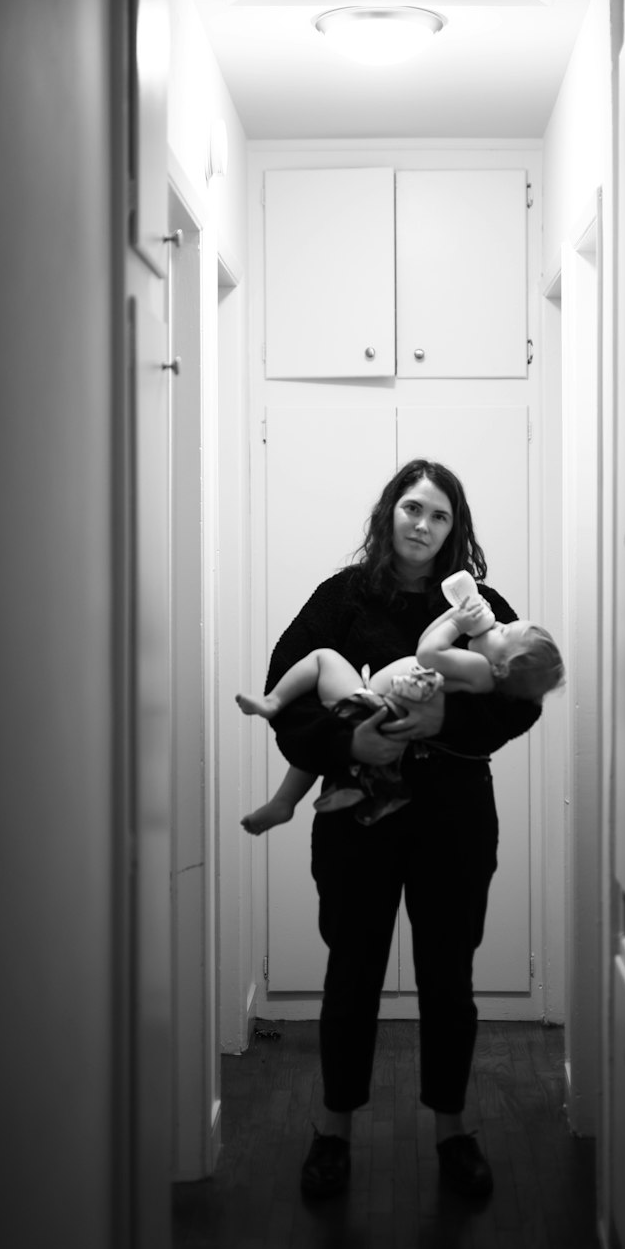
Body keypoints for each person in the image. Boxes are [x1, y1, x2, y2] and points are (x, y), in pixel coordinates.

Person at [249, 458, 560, 1202]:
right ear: (390, 512)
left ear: (457, 529)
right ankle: (333, 1130)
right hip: (356, 819)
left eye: (440, 514)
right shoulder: (342, 597)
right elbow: (291, 692)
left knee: (448, 981)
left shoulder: (482, 609)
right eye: (412, 508)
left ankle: (453, 1129)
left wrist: (446, 716)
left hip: (454, 820)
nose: (423, 524)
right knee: (351, 974)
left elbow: (522, 701)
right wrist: (347, 744)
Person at [237, 575, 563, 830]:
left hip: (374, 703)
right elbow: (428, 644)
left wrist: (457, 624)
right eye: (413, 509)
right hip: (375, 705)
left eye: (504, 631)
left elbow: (428, 652)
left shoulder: (481, 668)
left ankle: (274, 704)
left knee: (324, 659)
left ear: (503, 667)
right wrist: (454, 617)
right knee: (328, 734)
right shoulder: (344, 593)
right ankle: (342, 791)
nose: (498, 623)